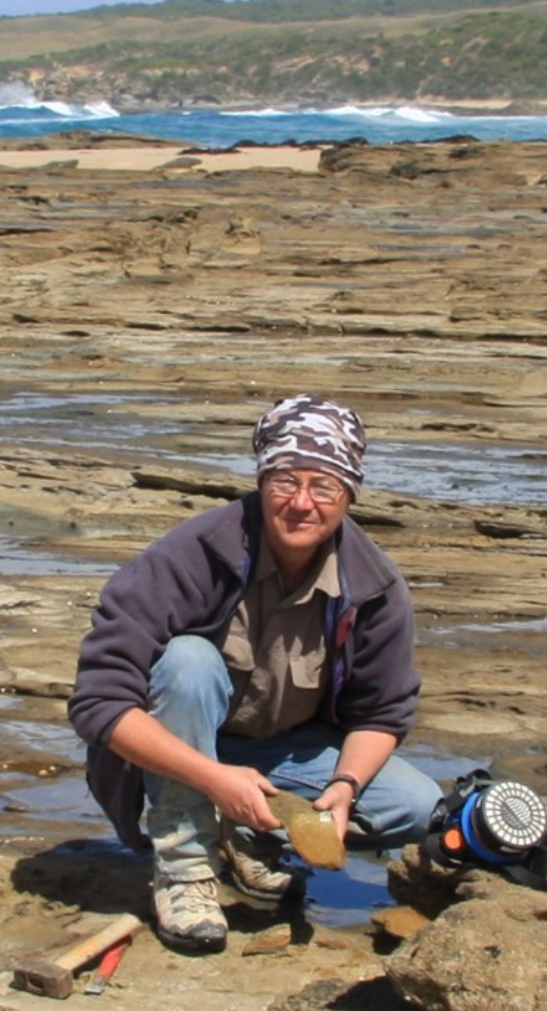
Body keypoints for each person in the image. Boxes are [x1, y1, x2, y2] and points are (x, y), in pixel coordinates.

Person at [67, 393, 441, 952]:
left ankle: (245, 837)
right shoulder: (194, 555)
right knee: (188, 661)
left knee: (415, 807)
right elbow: (98, 702)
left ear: (349, 495)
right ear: (262, 481)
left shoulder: (375, 587)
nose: (302, 502)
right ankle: (186, 870)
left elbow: (382, 713)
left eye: (324, 486)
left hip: (281, 755)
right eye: (285, 481)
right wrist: (213, 778)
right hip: (178, 750)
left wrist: (343, 787)